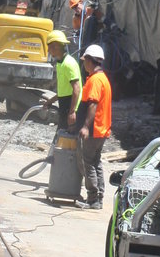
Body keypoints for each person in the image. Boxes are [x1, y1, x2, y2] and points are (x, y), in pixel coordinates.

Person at [76, 43, 112, 209]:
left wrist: (85, 126)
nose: (84, 64)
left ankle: (92, 199)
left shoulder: (96, 80)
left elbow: (93, 104)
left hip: (94, 129)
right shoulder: (103, 78)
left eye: (85, 60)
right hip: (102, 129)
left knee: (88, 162)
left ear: (90, 61)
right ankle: (99, 198)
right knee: (96, 162)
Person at [45, 29, 82, 129]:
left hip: (71, 106)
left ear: (56, 45)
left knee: (67, 139)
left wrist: (72, 112)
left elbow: (76, 89)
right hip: (65, 105)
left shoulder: (68, 64)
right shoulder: (60, 63)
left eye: (49, 47)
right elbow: (63, 90)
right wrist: (50, 101)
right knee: (61, 136)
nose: (48, 50)